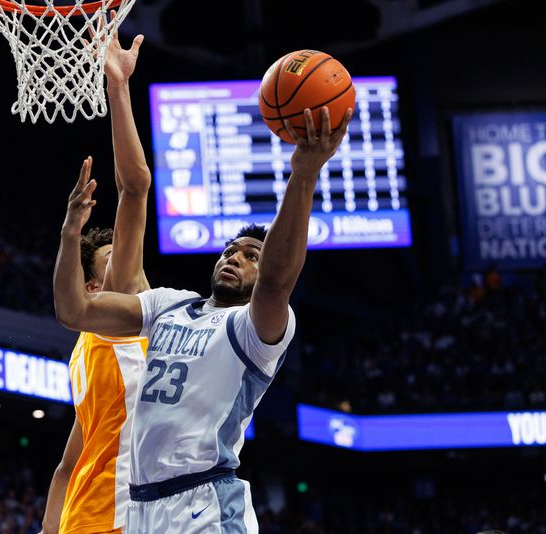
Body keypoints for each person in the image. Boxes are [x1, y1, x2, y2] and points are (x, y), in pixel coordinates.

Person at [54, 106, 352, 532]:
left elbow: (276, 281)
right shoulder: (168, 305)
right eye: (231, 251)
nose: (236, 258)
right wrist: (69, 234)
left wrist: (303, 174)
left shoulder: (254, 330)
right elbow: (74, 311)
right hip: (141, 508)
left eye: (252, 256)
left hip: (204, 501)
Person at [41, 29, 152, 534]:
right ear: (92, 288)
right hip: (114, 518)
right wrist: (118, 88)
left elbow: (67, 467)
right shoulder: (113, 317)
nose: (131, 266)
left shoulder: (96, 351)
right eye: (112, 259)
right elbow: (135, 187)